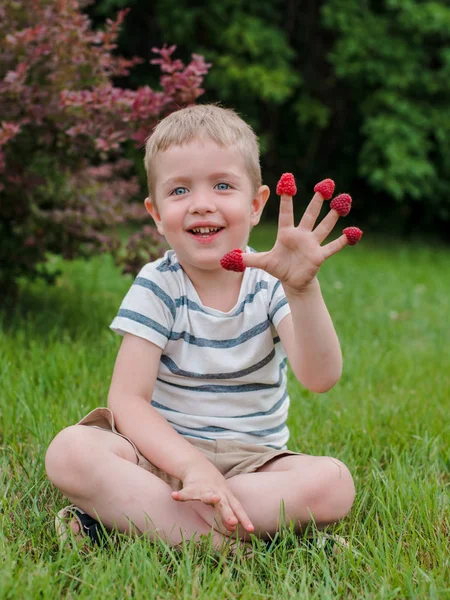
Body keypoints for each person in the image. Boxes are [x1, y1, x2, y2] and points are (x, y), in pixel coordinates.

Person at [45, 104, 356, 551]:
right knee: (71, 451)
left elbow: (321, 377)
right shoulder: (158, 284)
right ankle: (234, 545)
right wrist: (191, 465)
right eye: (180, 190)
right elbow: (128, 401)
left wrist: (302, 290)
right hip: (160, 458)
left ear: (256, 205)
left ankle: (132, 524)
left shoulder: (271, 286)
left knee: (333, 483)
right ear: (156, 214)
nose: (202, 203)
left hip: (254, 466)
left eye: (223, 185)